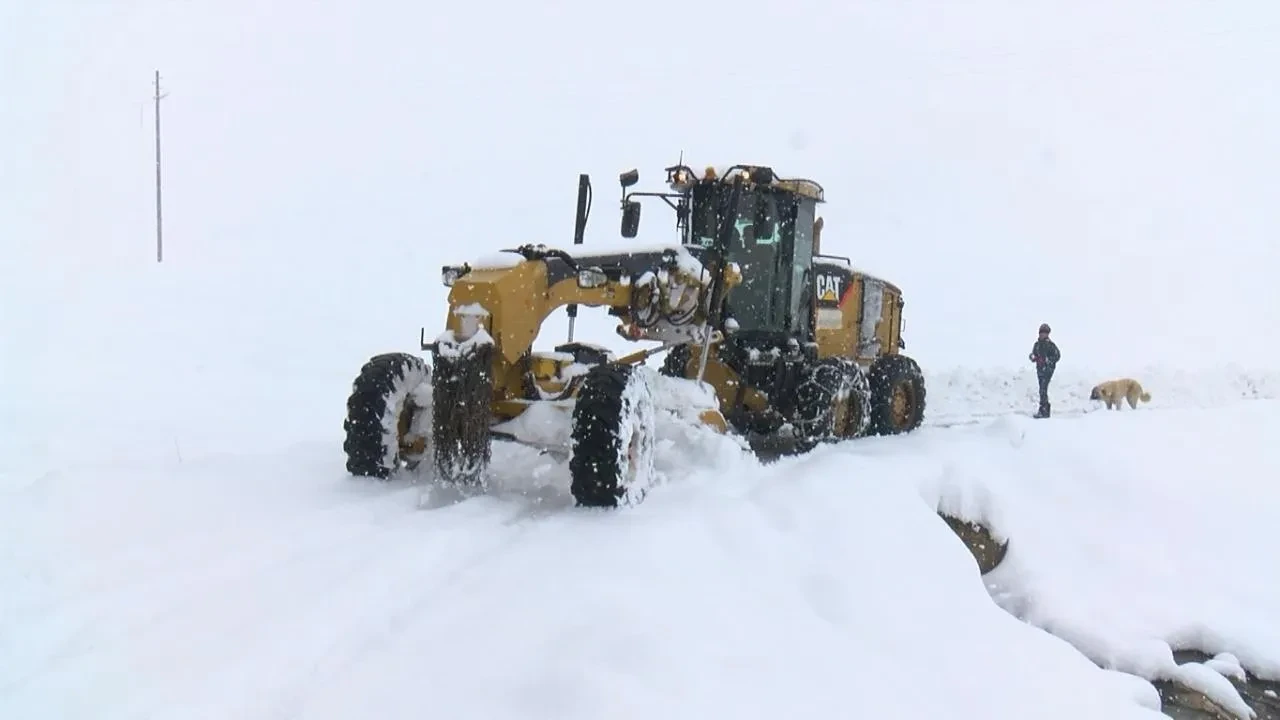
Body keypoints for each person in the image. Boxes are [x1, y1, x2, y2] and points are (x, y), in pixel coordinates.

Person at [1029, 323, 1060, 418]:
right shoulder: (1037, 345)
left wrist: (1048, 361)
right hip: (1039, 370)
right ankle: (1043, 410)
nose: (1043, 334)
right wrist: (1033, 357)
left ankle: (1044, 411)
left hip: (1048, 370)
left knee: (1043, 389)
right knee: (1042, 390)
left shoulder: (1051, 345)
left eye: (1045, 333)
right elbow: (1033, 355)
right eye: (1041, 332)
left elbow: (1057, 356)